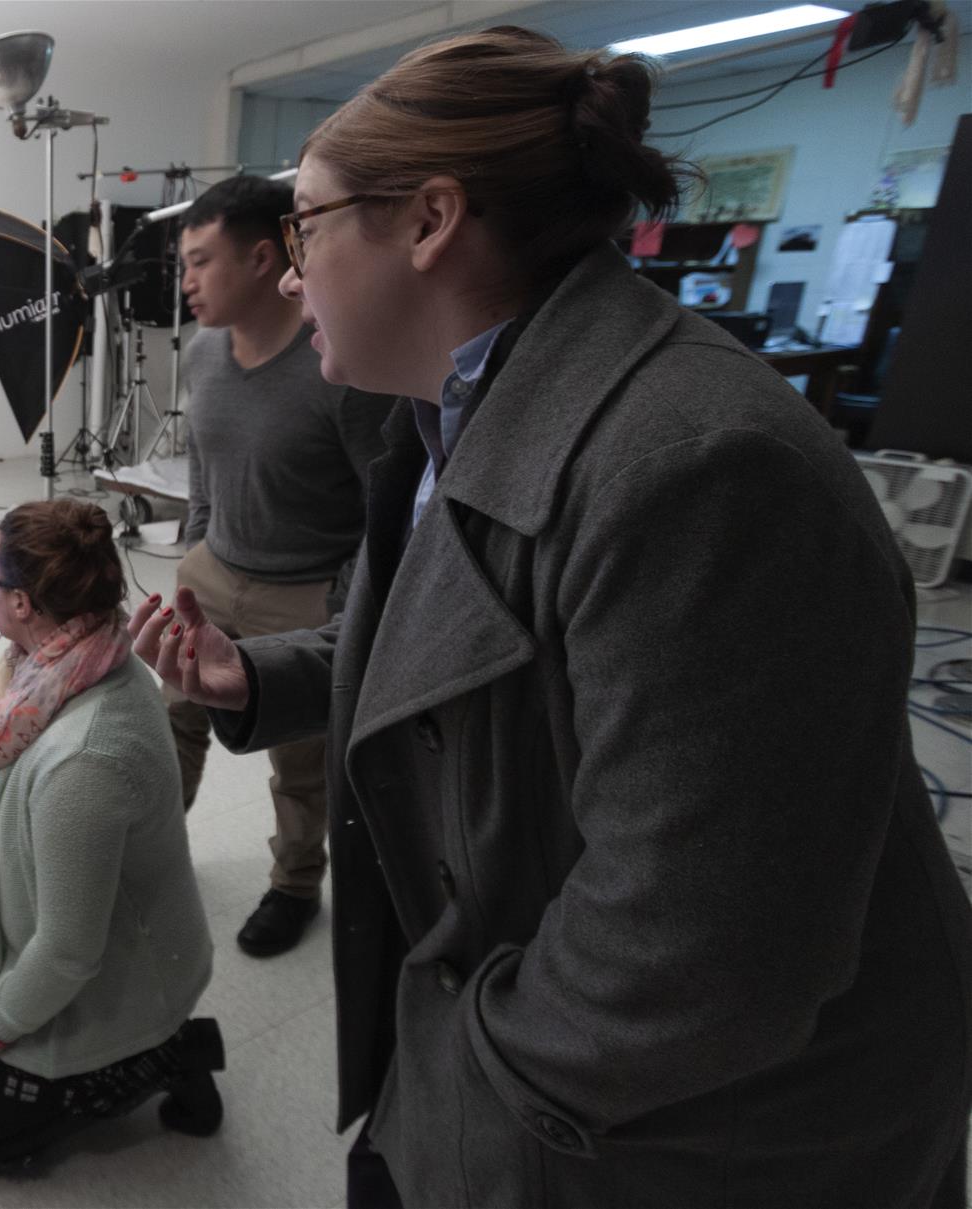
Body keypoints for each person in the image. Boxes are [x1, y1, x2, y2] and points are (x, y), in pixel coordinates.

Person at [131, 26, 972, 1208]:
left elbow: (704, 960)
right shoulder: (450, 411)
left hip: (681, 1136)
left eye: (306, 231)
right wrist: (260, 679)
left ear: (429, 221)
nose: (287, 274)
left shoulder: (701, 471)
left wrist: (472, 1060)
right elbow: (465, 642)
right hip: (532, 1066)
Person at [0, 499, 222, 1174]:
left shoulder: (84, 761)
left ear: (24, 603)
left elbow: (68, 948)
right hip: (58, 890)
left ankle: (166, 1052)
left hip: (117, 961)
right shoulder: (82, 650)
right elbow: (23, 730)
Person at [171, 174, 399, 959]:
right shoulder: (201, 355)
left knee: (300, 767)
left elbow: (388, 503)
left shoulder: (335, 367)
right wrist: (193, 552)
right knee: (171, 722)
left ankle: (296, 885)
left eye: (201, 262)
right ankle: (156, 855)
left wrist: (344, 606)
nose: (186, 282)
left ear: (265, 257)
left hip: (304, 594)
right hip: (210, 572)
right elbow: (203, 468)